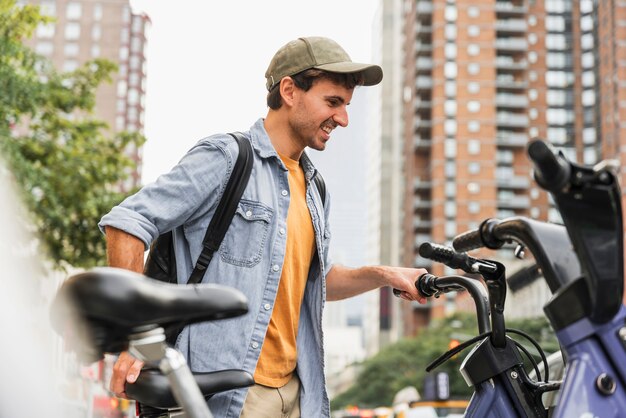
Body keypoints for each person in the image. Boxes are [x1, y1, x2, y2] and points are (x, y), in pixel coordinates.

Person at [99, 36, 427, 418]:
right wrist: (138, 338)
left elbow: (313, 282)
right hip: (224, 395)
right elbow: (127, 222)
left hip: (294, 394)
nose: (343, 119)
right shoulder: (227, 158)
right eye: (333, 102)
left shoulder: (315, 189)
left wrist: (385, 275)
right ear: (289, 90)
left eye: (346, 106)